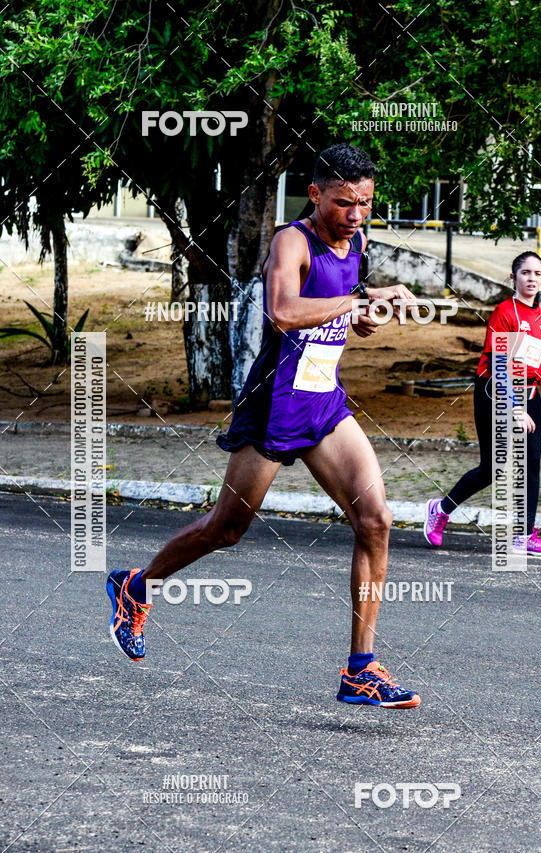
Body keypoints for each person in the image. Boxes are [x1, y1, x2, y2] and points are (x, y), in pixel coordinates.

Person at [107, 143, 422, 708]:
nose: (356, 215)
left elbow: (336, 309)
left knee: (375, 520)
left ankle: (360, 667)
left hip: (324, 401)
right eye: (345, 203)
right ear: (317, 193)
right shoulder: (290, 240)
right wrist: (353, 304)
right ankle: (136, 586)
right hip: (276, 402)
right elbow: (283, 310)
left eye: (366, 204)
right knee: (227, 529)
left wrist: (368, 308)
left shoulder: (358, 242)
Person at [423, 251, 541, 556]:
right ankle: (441, 509)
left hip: (530, 393)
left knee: (531, 463)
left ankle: (524, 535)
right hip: (495, 393)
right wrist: (515, 408)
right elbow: (498, 368)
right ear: (513, 278)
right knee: (493, 468)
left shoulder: (539, 314)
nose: (532, 279)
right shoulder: (503, 313)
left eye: (537, 274)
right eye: (525, 273)